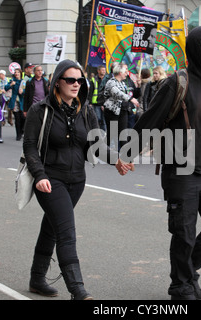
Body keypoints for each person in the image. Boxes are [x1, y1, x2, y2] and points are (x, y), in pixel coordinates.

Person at [128, 26, 201, 300]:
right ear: (195, 49)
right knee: (184, 234)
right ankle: (181, 287)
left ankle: (185, 274)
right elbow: (150, 119)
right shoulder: (177, 82)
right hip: (181, 169)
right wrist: (126, 152)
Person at [23, 59, 133, 299]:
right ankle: (78, 290)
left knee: (52, 227)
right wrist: (39, 175)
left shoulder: (85, 111)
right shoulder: (40, 110)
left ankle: (36, 279)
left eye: (79, 80)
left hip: (76, 181)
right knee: (66, 231)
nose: (76, 84)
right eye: (70, 80)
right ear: (57, 83)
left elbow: (96, 143)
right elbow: (30, 146)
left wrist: (116, 160)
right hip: (50, 180)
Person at [103, 63, 140, 150]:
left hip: (123, 110)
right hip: (112, 111)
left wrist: (138, 86)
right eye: (125, 72)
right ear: (120, 72)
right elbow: (117, 93)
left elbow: (129, 93)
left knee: (123, 133)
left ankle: (126, 156)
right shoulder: (111, 82)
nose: (126, 73)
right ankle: (103, 151)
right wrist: (130, 98)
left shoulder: (123, 83)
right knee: (111, 134)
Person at [5, 68, 25, 140]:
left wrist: (22, 91)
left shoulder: (23, 82)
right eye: (15, 72)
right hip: (15, 102)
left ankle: (22, 130)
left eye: (18, 72)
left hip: (22, 101)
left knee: (23, 117)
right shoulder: (12, 81)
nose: (16, 74)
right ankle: (18, 134)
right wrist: (11, 84)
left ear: (20, 73)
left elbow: (25, 91)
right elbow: (6, 88)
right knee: (17, 118)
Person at [88, 65, 107, 131]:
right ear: (98, 71)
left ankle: (104, 134)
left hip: (104, 103)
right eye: (102, 70)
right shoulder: (94, 80)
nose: (104, 71)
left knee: (104, 120)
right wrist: (90, 102)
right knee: (98, 119)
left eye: (104, 70)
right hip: (96, 103)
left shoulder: (107, 80)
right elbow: (91, 92)